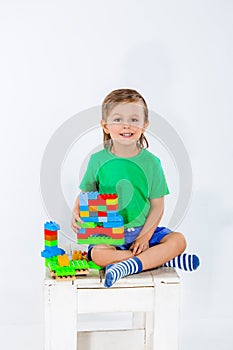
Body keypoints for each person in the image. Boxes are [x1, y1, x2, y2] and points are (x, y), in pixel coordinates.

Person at [72, 88, 200, 288]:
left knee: (178, 241)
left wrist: (145, 236)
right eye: (117, 119)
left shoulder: (151, 163)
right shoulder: (98, 161)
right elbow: (86, 193)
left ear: (144, 125)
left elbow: (157, 205)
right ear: (105, 126)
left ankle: (126, 265)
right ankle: (152, 260)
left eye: (134, 119)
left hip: (144, 232)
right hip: (109, 234)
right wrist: (76, 211)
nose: (126, 125)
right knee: (97, 255)